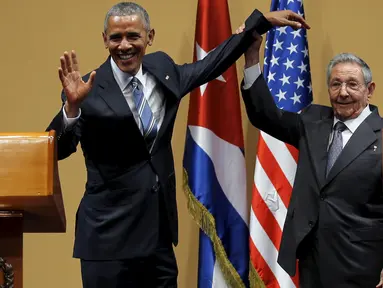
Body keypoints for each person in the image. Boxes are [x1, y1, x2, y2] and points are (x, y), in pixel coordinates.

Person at [46, 2, 309, 287]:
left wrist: (261, 23)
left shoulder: (162, 69)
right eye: (116, 38)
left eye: (133, 36)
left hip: (157, 237)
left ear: (149, 36)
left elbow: (209, 65)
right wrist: (71, 110)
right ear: (104, 40)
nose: (124, 46)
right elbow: (56, 149)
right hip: (108, 241)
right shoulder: (87, 90)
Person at [240, 32, 383, 287]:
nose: (343, 92)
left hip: (362, 267)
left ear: (369, 90)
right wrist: (251, 58)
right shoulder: (312, 122)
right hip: (311, 262)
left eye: (352, 84)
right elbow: (266, 115)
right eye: (335, 84)